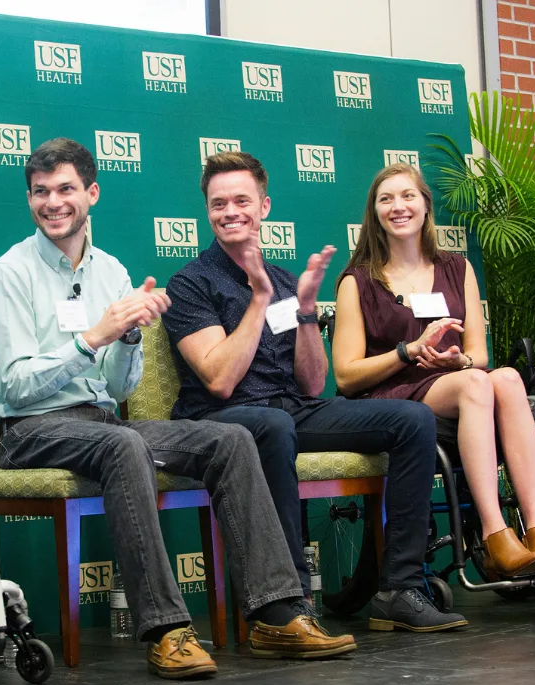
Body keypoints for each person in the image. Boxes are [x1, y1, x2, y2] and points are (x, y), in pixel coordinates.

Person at [0, 138, 357, 676]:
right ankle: (166, 629)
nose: (52, 202)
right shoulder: (8, 275)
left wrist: (128, 340)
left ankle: (276, 615)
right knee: (124, 441)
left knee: (230, 439)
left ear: (92, 193)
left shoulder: (110, 270)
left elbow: (118, 387)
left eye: (65, 189)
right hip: (24, 429)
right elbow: (15, 387)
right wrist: (93, 337)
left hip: (98, 419)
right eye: (40, 192)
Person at [163, 151, 468, 633]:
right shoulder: (190, 284)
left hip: (291, 410)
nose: (231, 212)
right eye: (219, 204)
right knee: (272, 424)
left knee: (413, 421)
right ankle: (292, 600)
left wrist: (305, 312)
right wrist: (259, 300)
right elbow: (219, 380)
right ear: (208, 211)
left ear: (265, 206)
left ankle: (399, 589)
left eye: (242, 200)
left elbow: (311, 383)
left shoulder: (287, 281)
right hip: (220, 419)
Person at [332, 163, 535, 578]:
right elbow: (346, 375)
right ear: (374, 213)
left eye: (408, 196)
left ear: (425, 206)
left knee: (508, 378)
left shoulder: (457, 269)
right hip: (392, 397)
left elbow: (479, 355)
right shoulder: (359, 281)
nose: (398, 206)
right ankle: (496, 536)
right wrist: (408, 352)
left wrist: (457, 361)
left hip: (455, 383)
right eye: (386, 199)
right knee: (476, 384)